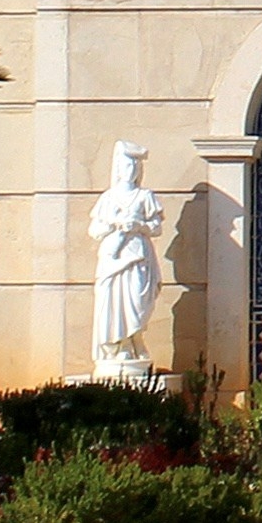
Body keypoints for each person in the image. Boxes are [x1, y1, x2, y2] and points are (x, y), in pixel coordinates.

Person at [88, 140, 169, 382]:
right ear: (119, 168)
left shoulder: (145, 196)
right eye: (127, 165)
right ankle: (119, 344)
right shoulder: (108, 198)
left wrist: (139, 226)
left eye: (135, 166)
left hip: (138, 257)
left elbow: (156, 227)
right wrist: (114, 224)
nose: (131, 170)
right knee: (114, 301)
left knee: (137, 301)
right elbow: (95, 230)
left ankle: (135, 339)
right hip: (114, 259)